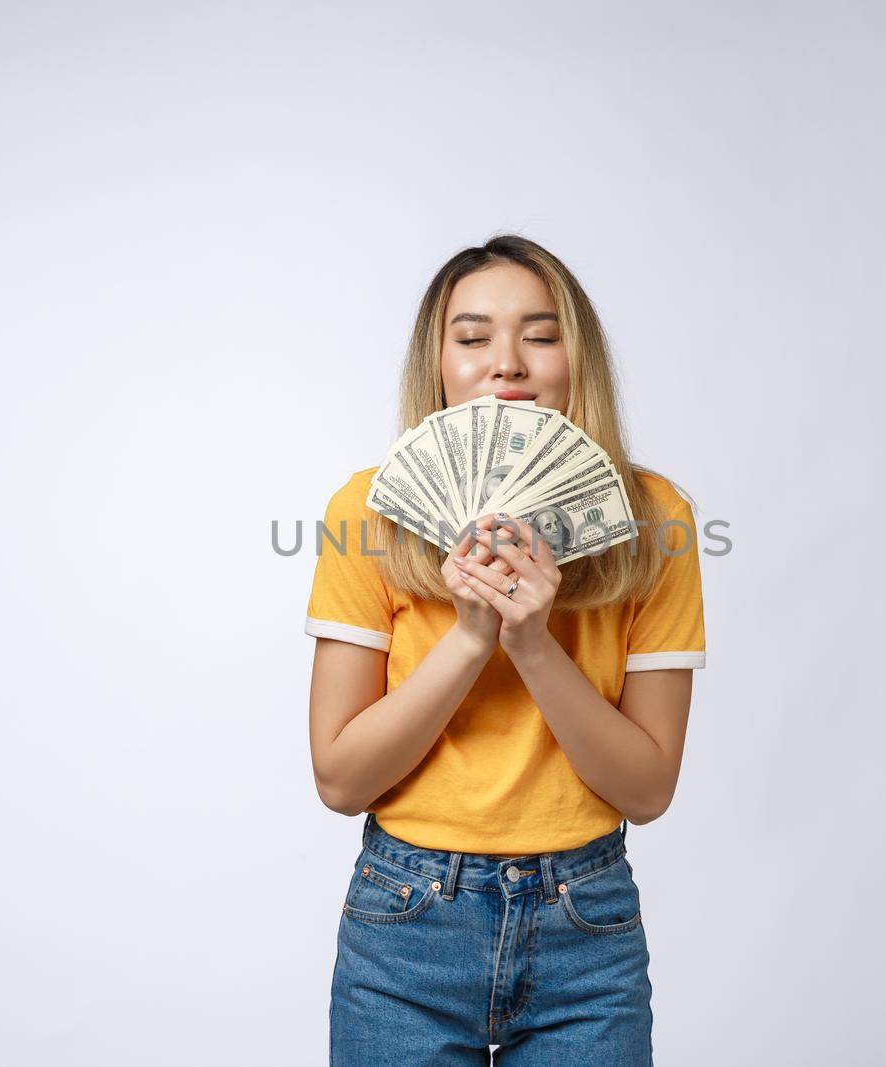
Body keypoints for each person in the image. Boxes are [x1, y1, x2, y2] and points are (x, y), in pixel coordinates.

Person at [305, 234, 706, 1065]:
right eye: (474, 336)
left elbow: (648, 785)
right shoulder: (368, 514)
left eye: (542, 334)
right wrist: (469, 635)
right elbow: (342, 779)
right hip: (405, 927)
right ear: (440, 364)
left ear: (576, 359)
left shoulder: (655, 520)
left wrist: (532, 645)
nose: (508, 363)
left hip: (584, 928)